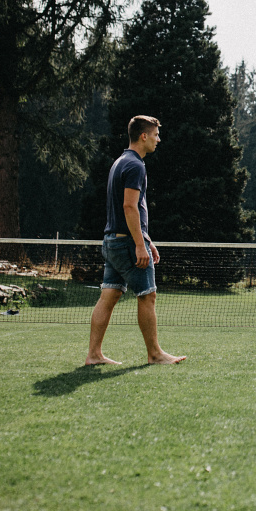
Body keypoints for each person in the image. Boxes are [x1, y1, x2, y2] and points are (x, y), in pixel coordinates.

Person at [86, 115, 185, 366]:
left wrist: (147, 239)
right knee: (147, 295)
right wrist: (140, 245)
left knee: (108, 296)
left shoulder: (120, 162)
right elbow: (129, 207)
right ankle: (155, 354)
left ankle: (94, 355)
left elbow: (131, 210)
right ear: (143, 136)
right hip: (127, 244)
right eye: (155, 135)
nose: (158, 139)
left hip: (112, 241)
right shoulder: (135, 166)